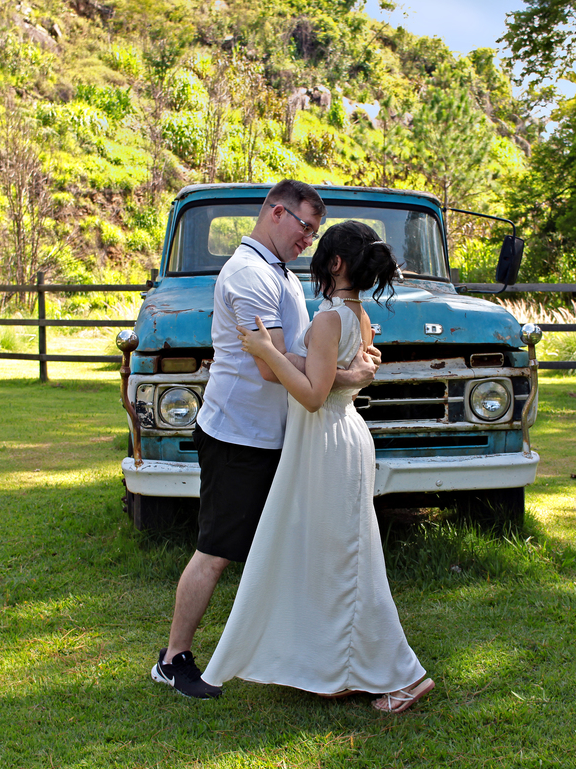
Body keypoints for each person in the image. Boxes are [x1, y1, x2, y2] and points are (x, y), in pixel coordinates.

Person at [151, 181, 380, 699]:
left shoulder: (279, 271)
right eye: (305, 227)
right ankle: (173, 659)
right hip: (240, 435)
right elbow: (270, 365)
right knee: (216, 551)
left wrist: (344, 356)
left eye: (315, 233)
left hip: (281, 435)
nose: (308, 240)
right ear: (276, 212)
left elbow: (300, 351)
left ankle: (301, 656)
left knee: (289, 548)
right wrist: (347, 375)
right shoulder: (249, 275)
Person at [201, 221, 435, 714]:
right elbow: (329, 374)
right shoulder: (357, 316)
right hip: (334, 437)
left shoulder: (330, 318)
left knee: (349, 560)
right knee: (333, 560)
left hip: (329, 440)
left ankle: (404, 675)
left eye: (319, 254)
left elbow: (312, 394)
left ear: (335, 263)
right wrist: (284, 356)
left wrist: (267, 352)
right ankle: (340, 668)